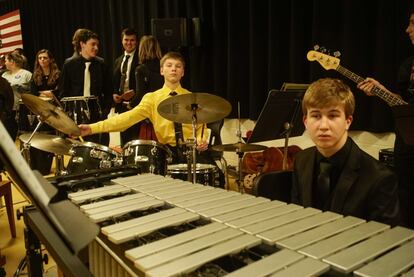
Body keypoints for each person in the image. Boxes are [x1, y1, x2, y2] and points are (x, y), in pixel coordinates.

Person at [77, 52, 223, 184]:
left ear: (183, 72)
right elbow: (125, 119)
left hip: (194, 153)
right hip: (168, 155)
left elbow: (201, 127)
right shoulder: (152, 99)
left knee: (218, 179)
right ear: (161, 71)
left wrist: (201, 140)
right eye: (169, 65)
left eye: (178, 66)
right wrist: (91, 128)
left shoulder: (193, 98)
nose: (174, 69)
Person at [291, 78, 400, 226]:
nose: (323, 126)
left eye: (333, 115)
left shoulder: (379, 178)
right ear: (305, 121)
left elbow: (383, 242)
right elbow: (298, 216)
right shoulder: (301, 160)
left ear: (348, 121)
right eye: (316, 116)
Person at [357, 8, 414, 229]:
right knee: (406, 202)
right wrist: (380, 90)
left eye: (412, 23)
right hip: (407, 146)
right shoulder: (408, 64)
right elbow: (403, 103)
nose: (407, 29)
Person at [59, 28, 112, 145]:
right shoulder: (69, 64)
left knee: (100, 147)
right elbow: (63, 92)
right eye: (93, 44)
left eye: (97, 45)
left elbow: (108, 91)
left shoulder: (102, 64)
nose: (96, 48)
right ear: (82, 44)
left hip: (97, 116)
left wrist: (105, 111)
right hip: (76, 115)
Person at [28, 49, 61, 175]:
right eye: (40, 58)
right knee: (41, 135)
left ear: (50, 59)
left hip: (54, 109)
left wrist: (52, 93)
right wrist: (47, 93)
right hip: (40, 108)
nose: (42, 60)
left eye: (45, 58)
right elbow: (32, 92)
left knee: (52, 135)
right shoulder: (35, 75)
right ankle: (40, 166)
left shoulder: (57, 73)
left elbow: (60, 91)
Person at [131, 35, 164, 140]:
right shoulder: (164, 67)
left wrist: (130, 104)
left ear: (142, 49)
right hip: (165, 111)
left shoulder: (141, 69)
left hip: (149, 116)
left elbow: (141, 94)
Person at [112, 28, 140, 145]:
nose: (129, 43)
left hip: (136, 105)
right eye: (126, 40)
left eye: (132, 40)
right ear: (122, 41)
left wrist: (135, 93)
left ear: (137, 42)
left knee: (136, 141)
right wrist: (114, 95)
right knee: (124, 141)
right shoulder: (118, 60)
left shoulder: (141, 59)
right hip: (121, 106)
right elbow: (114, 82)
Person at [1, 52, 32, 140]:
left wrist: (18, 86)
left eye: (6, 60)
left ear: (12, 61)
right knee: (9, 135)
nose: (5, 63)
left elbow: (31, 91)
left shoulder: (26, 74)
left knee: (23, 134)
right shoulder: (4, 75)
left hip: (22, 109)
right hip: (8, 110)